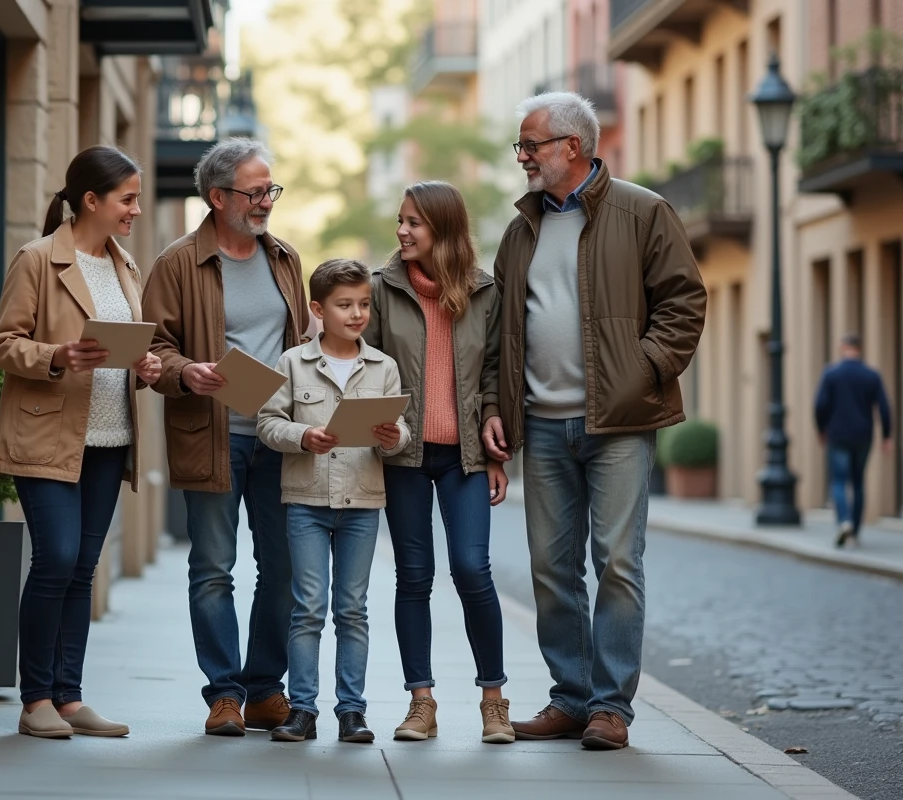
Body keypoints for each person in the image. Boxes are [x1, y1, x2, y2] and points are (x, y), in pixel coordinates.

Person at [486, 92, 707, 750]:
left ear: (572, 147)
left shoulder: (643, 211)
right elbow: (500, 333)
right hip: (541, 425)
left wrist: (641, 370)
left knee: (616, 562)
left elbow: (684, 302)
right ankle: (572, 697)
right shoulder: (520, 230)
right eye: (521, 146)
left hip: (619, 423)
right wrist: (496, 407)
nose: (522, 157)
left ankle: (610, 708)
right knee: (551, 569)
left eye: (531, 145)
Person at [0, 145, 163, 739]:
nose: (135, 210)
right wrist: (58, 355)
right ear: (91, 200)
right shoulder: (37, 259)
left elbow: (129, 347)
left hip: (110, 438)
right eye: (127, 200)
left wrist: (146, 366)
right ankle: (35, 699)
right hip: (48, 435)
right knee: (57, 559)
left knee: (83, 567)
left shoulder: (125, 265)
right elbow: (2, 344)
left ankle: (69, 697)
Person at [142, 138, 308, 736]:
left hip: (277, 437)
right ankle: (224, 694)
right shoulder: (177, 264)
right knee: (213, 567)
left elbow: (300, 343)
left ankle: (264, 689)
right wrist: (188, 371)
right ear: (218, 197)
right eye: (255, 192)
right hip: (212, 434)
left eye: (271, 190)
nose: (267, 201)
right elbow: (153, 348)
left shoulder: (285, 258)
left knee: (283, 568)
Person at [363, 181, 513, 745]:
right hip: (402, 453)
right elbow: (365, 366)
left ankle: (494, 701)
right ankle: (421, 703)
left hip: (465, 457)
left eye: (414, 222)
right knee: (414, 575)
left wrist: (495, 442)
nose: (401, 231)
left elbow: (495, 371)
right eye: (401, 220)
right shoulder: (380, 289)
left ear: (443, 229)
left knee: (473, 569)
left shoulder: (485, 291)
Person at [257, 259, 411, 744]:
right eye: (345, 305)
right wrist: (303, 436)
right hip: (305, 501)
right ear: (318, 310)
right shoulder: (292, 362)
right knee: (307, 608)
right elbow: (267, 423)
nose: (357, 313)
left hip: (362, 503)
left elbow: (400, 432)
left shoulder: (383, 366)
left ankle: (352, 711)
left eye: (364, 303)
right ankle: (302, 709)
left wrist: (393, 437)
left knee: (352, 610)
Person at [814, 333, 893, 548]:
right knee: (858, 482)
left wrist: (821, 429)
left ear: (843, 348)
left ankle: (844, 521)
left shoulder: (831, 374)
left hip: (838, 435)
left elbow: (820, 405)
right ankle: (855, 531)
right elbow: (884, 407)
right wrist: (887, 435)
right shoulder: (871, 375)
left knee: (839, 481)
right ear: (859, 349)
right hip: (863, 435)